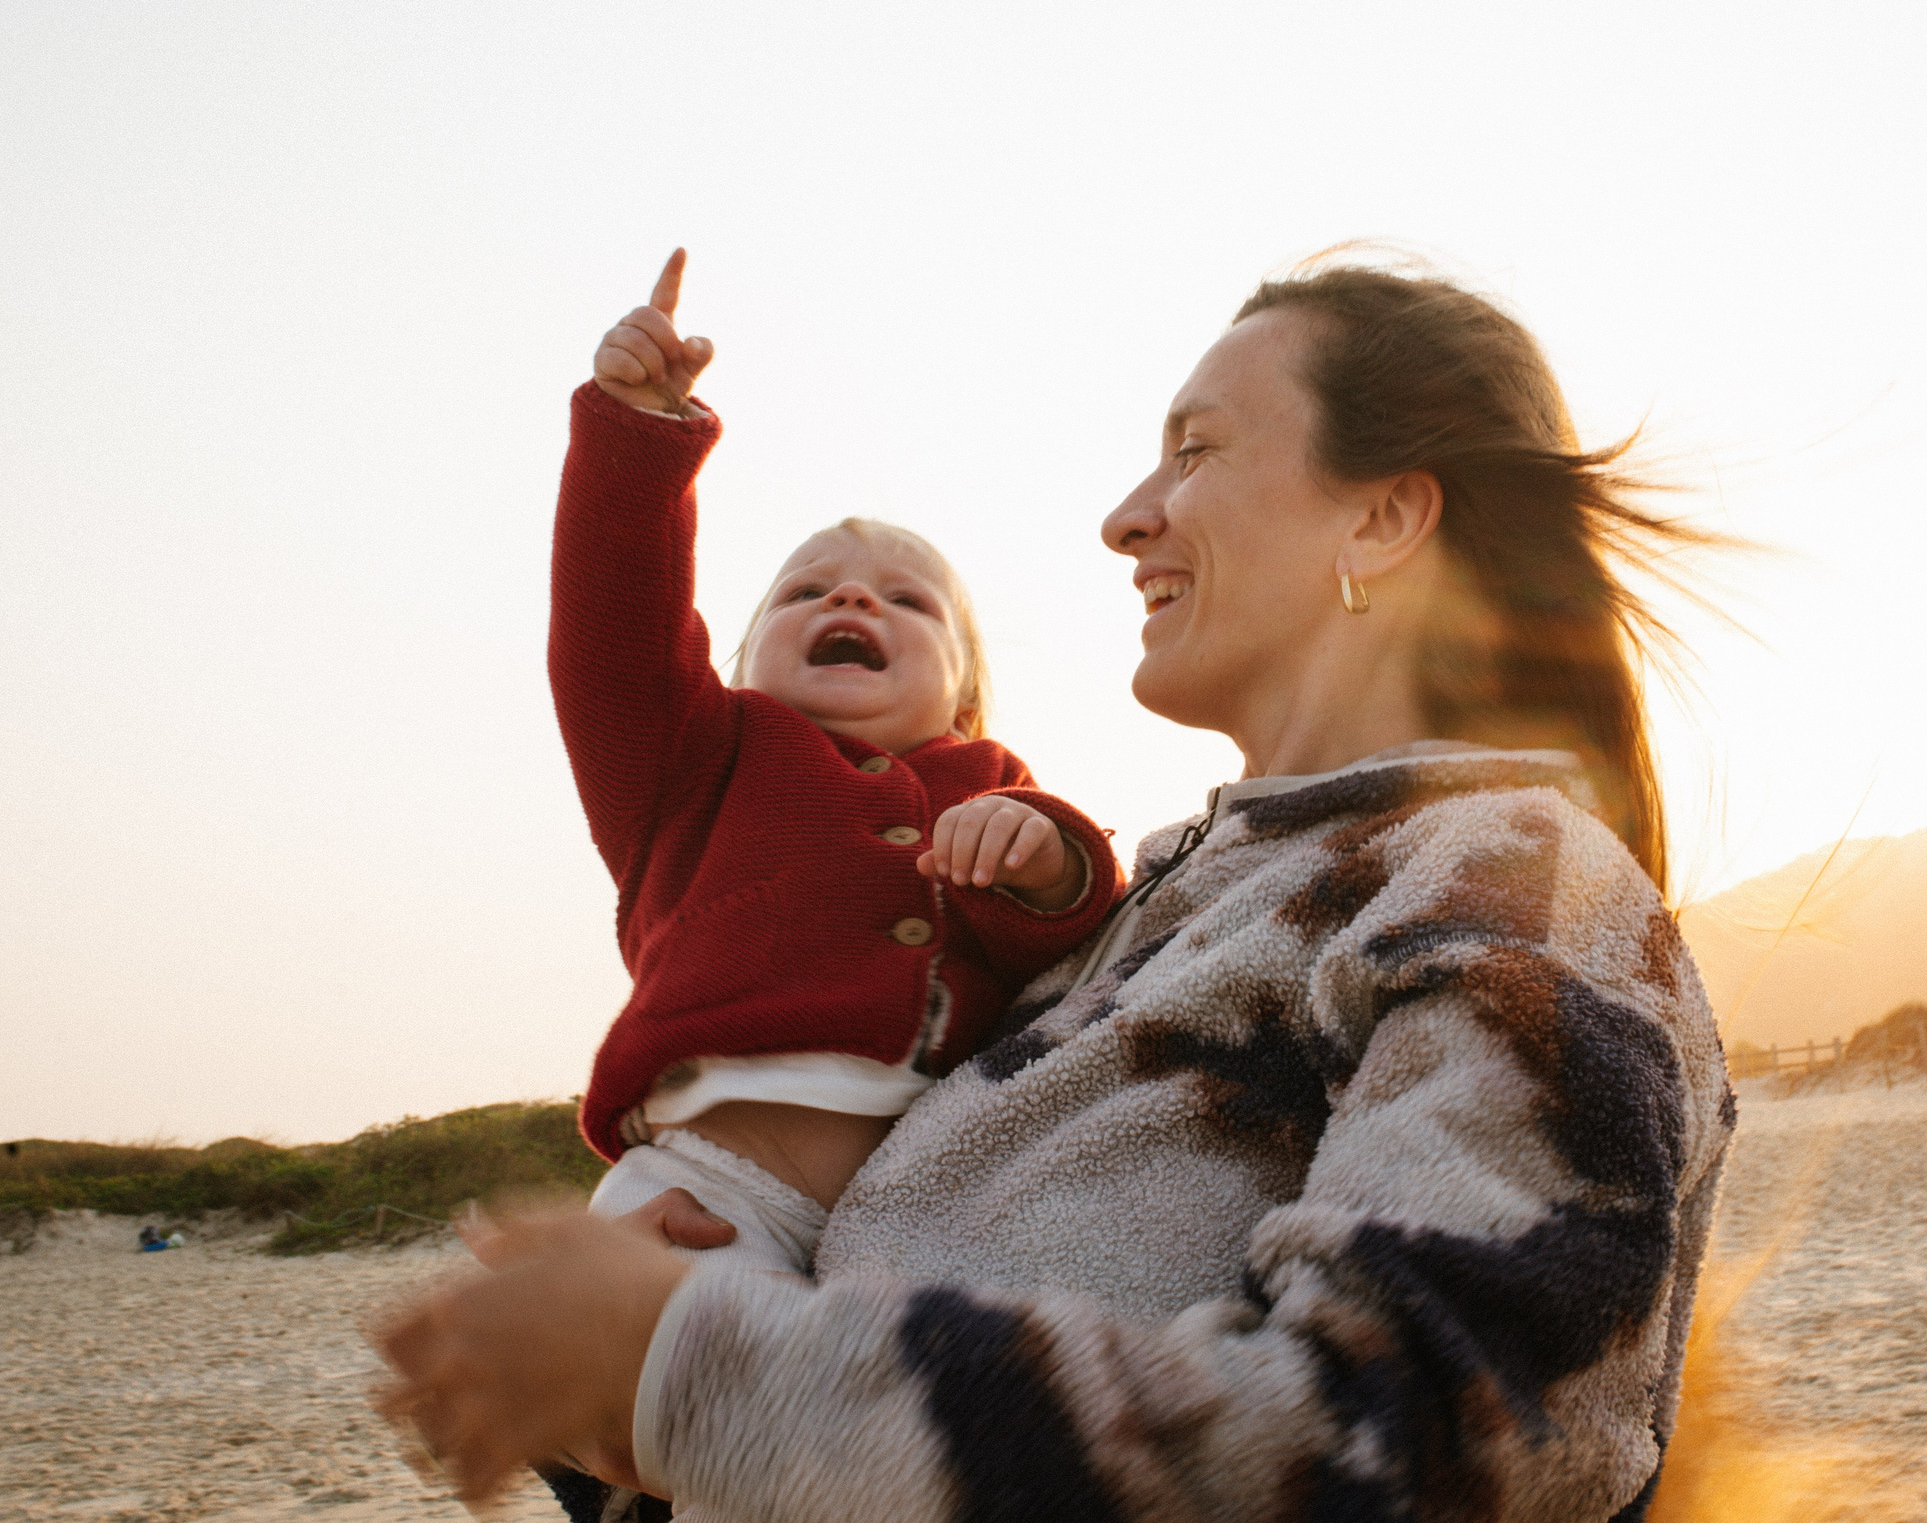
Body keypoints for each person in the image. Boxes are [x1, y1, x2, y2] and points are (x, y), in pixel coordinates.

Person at [376, 256, 1736, 1522]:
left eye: (1196, 451)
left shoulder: (1519, 883)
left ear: (1381, 517)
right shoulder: (1166, 909)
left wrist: (680, 1364)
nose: (1123, 515)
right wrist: (608, 1411)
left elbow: (1422, 1438)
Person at [554, 247, 1125, 1265]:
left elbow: (1074, 924)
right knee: (649, 1405)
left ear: (962, 688)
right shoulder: (695, 757)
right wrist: (637, 432)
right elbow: (612, 622)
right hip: (706, 1188)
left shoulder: (990, 779)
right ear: (743, 659)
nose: (851, 599)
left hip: (932, 1211)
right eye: (804, 590)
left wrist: (1046, 857)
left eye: (907, 600)